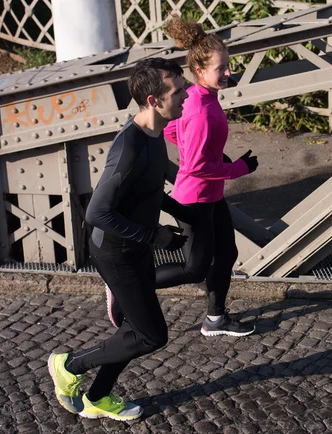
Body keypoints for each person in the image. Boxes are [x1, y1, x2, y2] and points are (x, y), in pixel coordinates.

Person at [47, 57, 194, 421]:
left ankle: (98, 397)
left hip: (135, 246)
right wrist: (153, 235)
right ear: (152, 100)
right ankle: (69, 365)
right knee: (151, 336)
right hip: (114, 252)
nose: (187, 95)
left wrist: (190, 216)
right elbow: (97, 213)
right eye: (178, 91)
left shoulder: (155, 135)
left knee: (133, 329)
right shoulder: (129, 148)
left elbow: (149, 191)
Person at [155, 15, 258, 337]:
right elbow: (196, 167)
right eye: (221, 68)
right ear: (199, 70)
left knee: (227, 254)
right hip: (195, 197)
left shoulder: (203, 98)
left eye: (228, 65)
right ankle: (126, 284)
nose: (228, 72)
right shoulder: (200, 109)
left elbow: (172, 129)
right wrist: (237, 169)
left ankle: (215, 319)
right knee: (193, 268)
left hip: (210, 194)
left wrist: (196, 150)